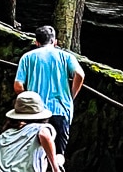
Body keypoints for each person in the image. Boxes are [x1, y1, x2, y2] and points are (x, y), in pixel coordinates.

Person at [14, 23, 84, 159]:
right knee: (58, 153)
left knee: (35, 151)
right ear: (55, 41)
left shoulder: (27, 58)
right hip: (61, 109)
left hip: (35, 113)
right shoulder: (66, 57)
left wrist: (28, 101)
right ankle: (57, 171)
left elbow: (18, 85)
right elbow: (80, 75)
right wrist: (71, 96)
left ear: (36, 42)